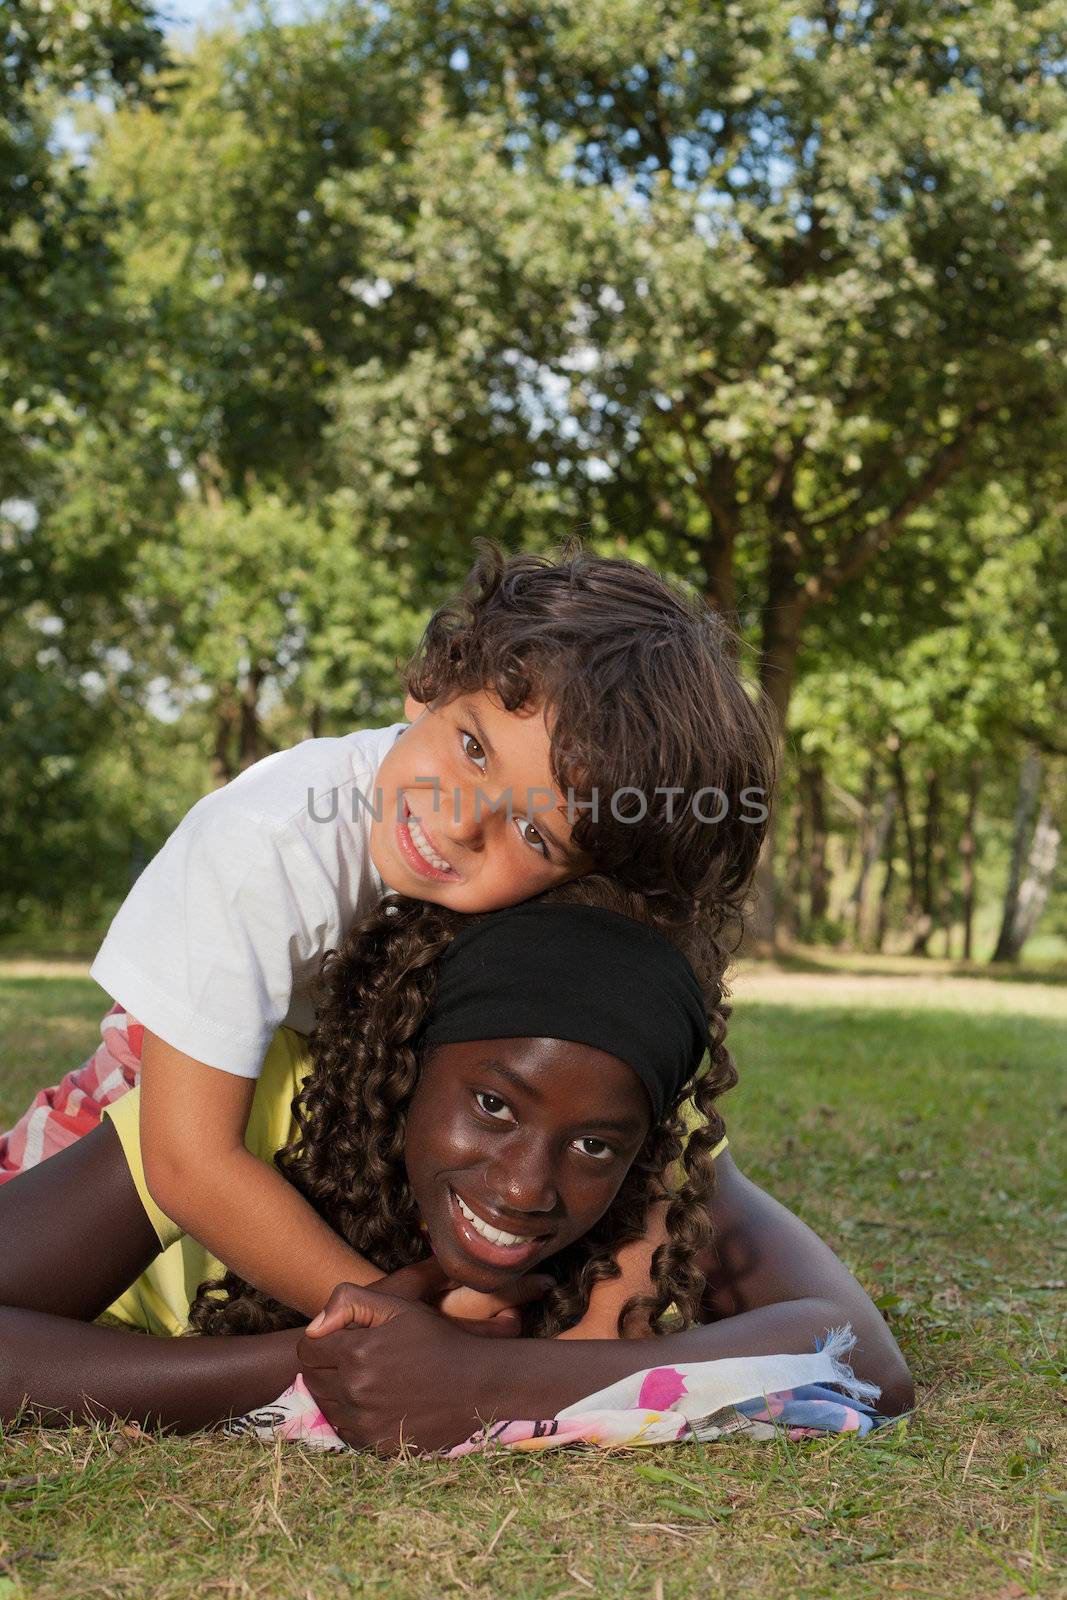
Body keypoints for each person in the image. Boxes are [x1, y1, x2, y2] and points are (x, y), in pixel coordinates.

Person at [0, 544, 776, 1335]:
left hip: (342, 1142)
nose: (460, 820)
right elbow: (187, 1163)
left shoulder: (553, 913)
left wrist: (603, 1324)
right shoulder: (267, 842)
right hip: (144, 1128)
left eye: (535, 833)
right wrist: (411, 1324)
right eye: (472, 749)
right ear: (429, 684)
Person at [0, 884, 913, 1449]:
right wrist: (311, 1361)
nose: (525, 1187)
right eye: (493, 1106)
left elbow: (860, 1356)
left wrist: (482, 1385)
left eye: (594, 1144)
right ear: (407, 1063)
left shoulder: (652, 1159)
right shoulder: (259, 1102)